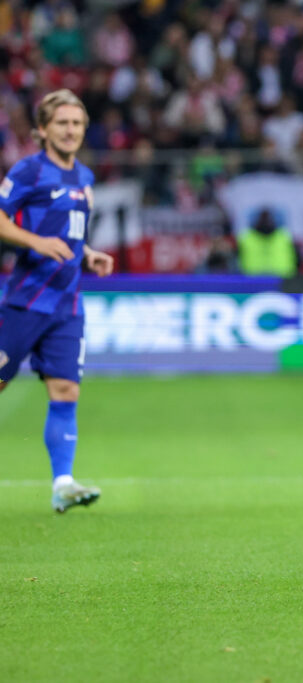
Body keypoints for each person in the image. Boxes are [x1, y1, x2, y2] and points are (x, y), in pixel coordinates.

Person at [0, 89, 115, 513]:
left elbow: (70, 233)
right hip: (26, 301)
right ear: (43, 129)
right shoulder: (29, 171)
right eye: (62, 123)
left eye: (77, 124)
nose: (70, 130)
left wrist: (87, 254)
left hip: (67, 306)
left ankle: (63, 482)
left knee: (65, 389)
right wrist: (35, 241)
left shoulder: (84, 178)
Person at [237, 207, 298, 277]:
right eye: (263, 219)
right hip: (252, 281)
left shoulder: (285, 236)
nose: (265, 222)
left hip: (283, 281)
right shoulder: (246, 237)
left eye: (267, 219)